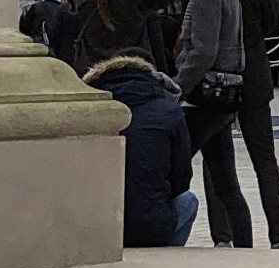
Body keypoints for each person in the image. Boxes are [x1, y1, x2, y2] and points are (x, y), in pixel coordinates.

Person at [202, 0, 279, 249]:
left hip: (217, 80)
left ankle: (222, 235)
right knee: (265, 160)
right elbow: (273, 25)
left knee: (217, 164)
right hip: (253, 75)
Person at [173, 0, 252, 246]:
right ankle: (246, 249)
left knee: (170, 169)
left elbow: (203, 50)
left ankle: (161, 235)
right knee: (225, 181)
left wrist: (177, 88)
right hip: (225, 93)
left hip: (204, 96)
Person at [84, 53, 197, 247]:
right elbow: (182, 180)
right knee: (187, 201)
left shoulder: (89, 110)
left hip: (98, 225)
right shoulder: (169, 111)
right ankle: (169, 254)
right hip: (152, 226)